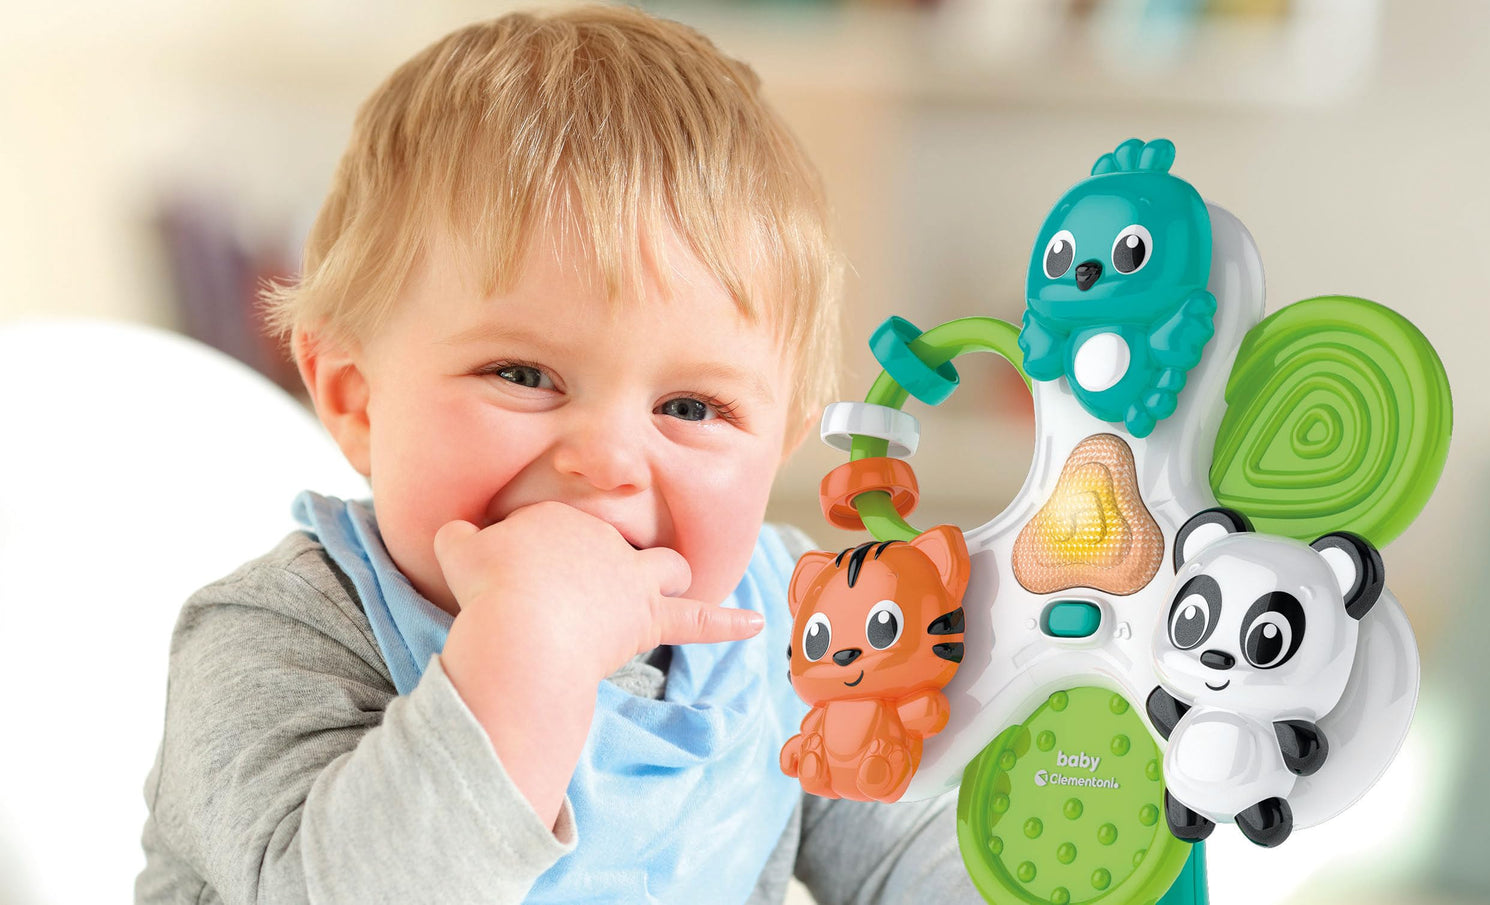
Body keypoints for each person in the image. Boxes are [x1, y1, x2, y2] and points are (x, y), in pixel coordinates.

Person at [137, 6, 981, 903]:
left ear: (777, 447)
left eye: (690, 407)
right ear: (356, 398)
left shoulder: (785, 619)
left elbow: (904, 850)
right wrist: (531, 645)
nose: (608, 459)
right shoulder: (278, 638)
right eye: (523, 374)